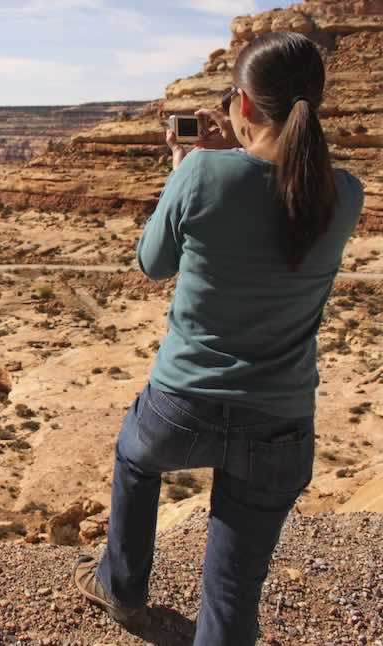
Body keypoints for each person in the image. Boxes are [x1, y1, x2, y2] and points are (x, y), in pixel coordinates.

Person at [72, 32, 365, 645]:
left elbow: (152, 262)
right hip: (280, 421)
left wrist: (186, 165)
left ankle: (122, 587)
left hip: (181, 405)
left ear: (244, 105)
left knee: (134, 459)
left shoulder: (203, 172)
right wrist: (239, 148)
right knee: (232, 591)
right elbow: (275, 186)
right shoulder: (345, 193)